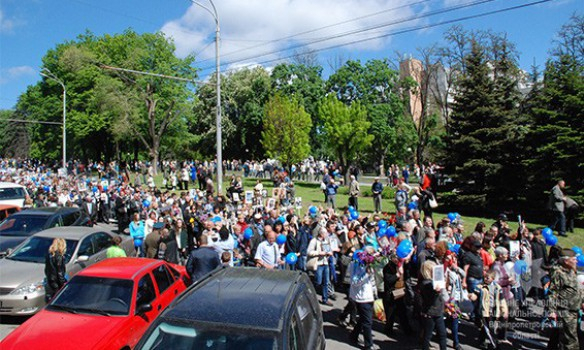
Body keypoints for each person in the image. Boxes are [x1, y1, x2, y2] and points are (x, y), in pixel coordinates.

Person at [548, 248, 583, 350]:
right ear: (566, 261)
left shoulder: (571, 270)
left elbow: (576, 289)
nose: (576, 261)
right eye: (574, 259)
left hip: (574, 310)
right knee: (571, 341)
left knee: (564, 338)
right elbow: (553, 292)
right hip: (565, 311)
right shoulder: (558, 272)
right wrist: (552, 311)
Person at [349, 249, 378, 350]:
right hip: (362, 297)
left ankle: (354, 335)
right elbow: (355, 281)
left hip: (368, 296)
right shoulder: (355, 265)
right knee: (367, 321)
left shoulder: (368, 265)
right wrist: (366, 274)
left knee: (363, 318)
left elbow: (372, 281)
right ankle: (368, 345)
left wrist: (375, 293)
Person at [419, 260, 447, 350]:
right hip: (429, 312)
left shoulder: (433, 282)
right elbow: (430, 296)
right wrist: (435, 291)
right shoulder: (426, 283)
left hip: (438, 311)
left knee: (442, 334)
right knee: (428, 335)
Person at [307, 227, 333, 306]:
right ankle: (311, 296)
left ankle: (325, 299)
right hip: (318, 263)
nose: (326, 235)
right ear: (321, 234)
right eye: (325, 233)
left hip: (325, 263)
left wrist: (329, 252)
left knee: (326, 282)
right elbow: (309, 252)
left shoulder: (326, 241)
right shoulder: (314, 241)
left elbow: (328, 249)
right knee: (318, 281)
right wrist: (319, 252)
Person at [45, 238, 67, 302]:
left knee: (53, 298)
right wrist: (63, 283)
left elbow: (46, 269)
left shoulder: (49, 255)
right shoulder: (59, 256)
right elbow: (59, 272)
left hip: (51, 280)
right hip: (57, 282)